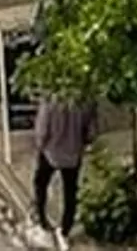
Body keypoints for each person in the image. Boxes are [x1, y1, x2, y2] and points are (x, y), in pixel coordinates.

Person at [30, 92, 96, 245]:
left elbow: (42, 131)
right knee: (70, 192)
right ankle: (65, 230)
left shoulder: (50, 101)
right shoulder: (85, 101)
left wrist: (41, 145)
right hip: (73, 155)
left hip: (50, 153)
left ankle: (42, 220)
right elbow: (91, 132)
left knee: (40, 183)